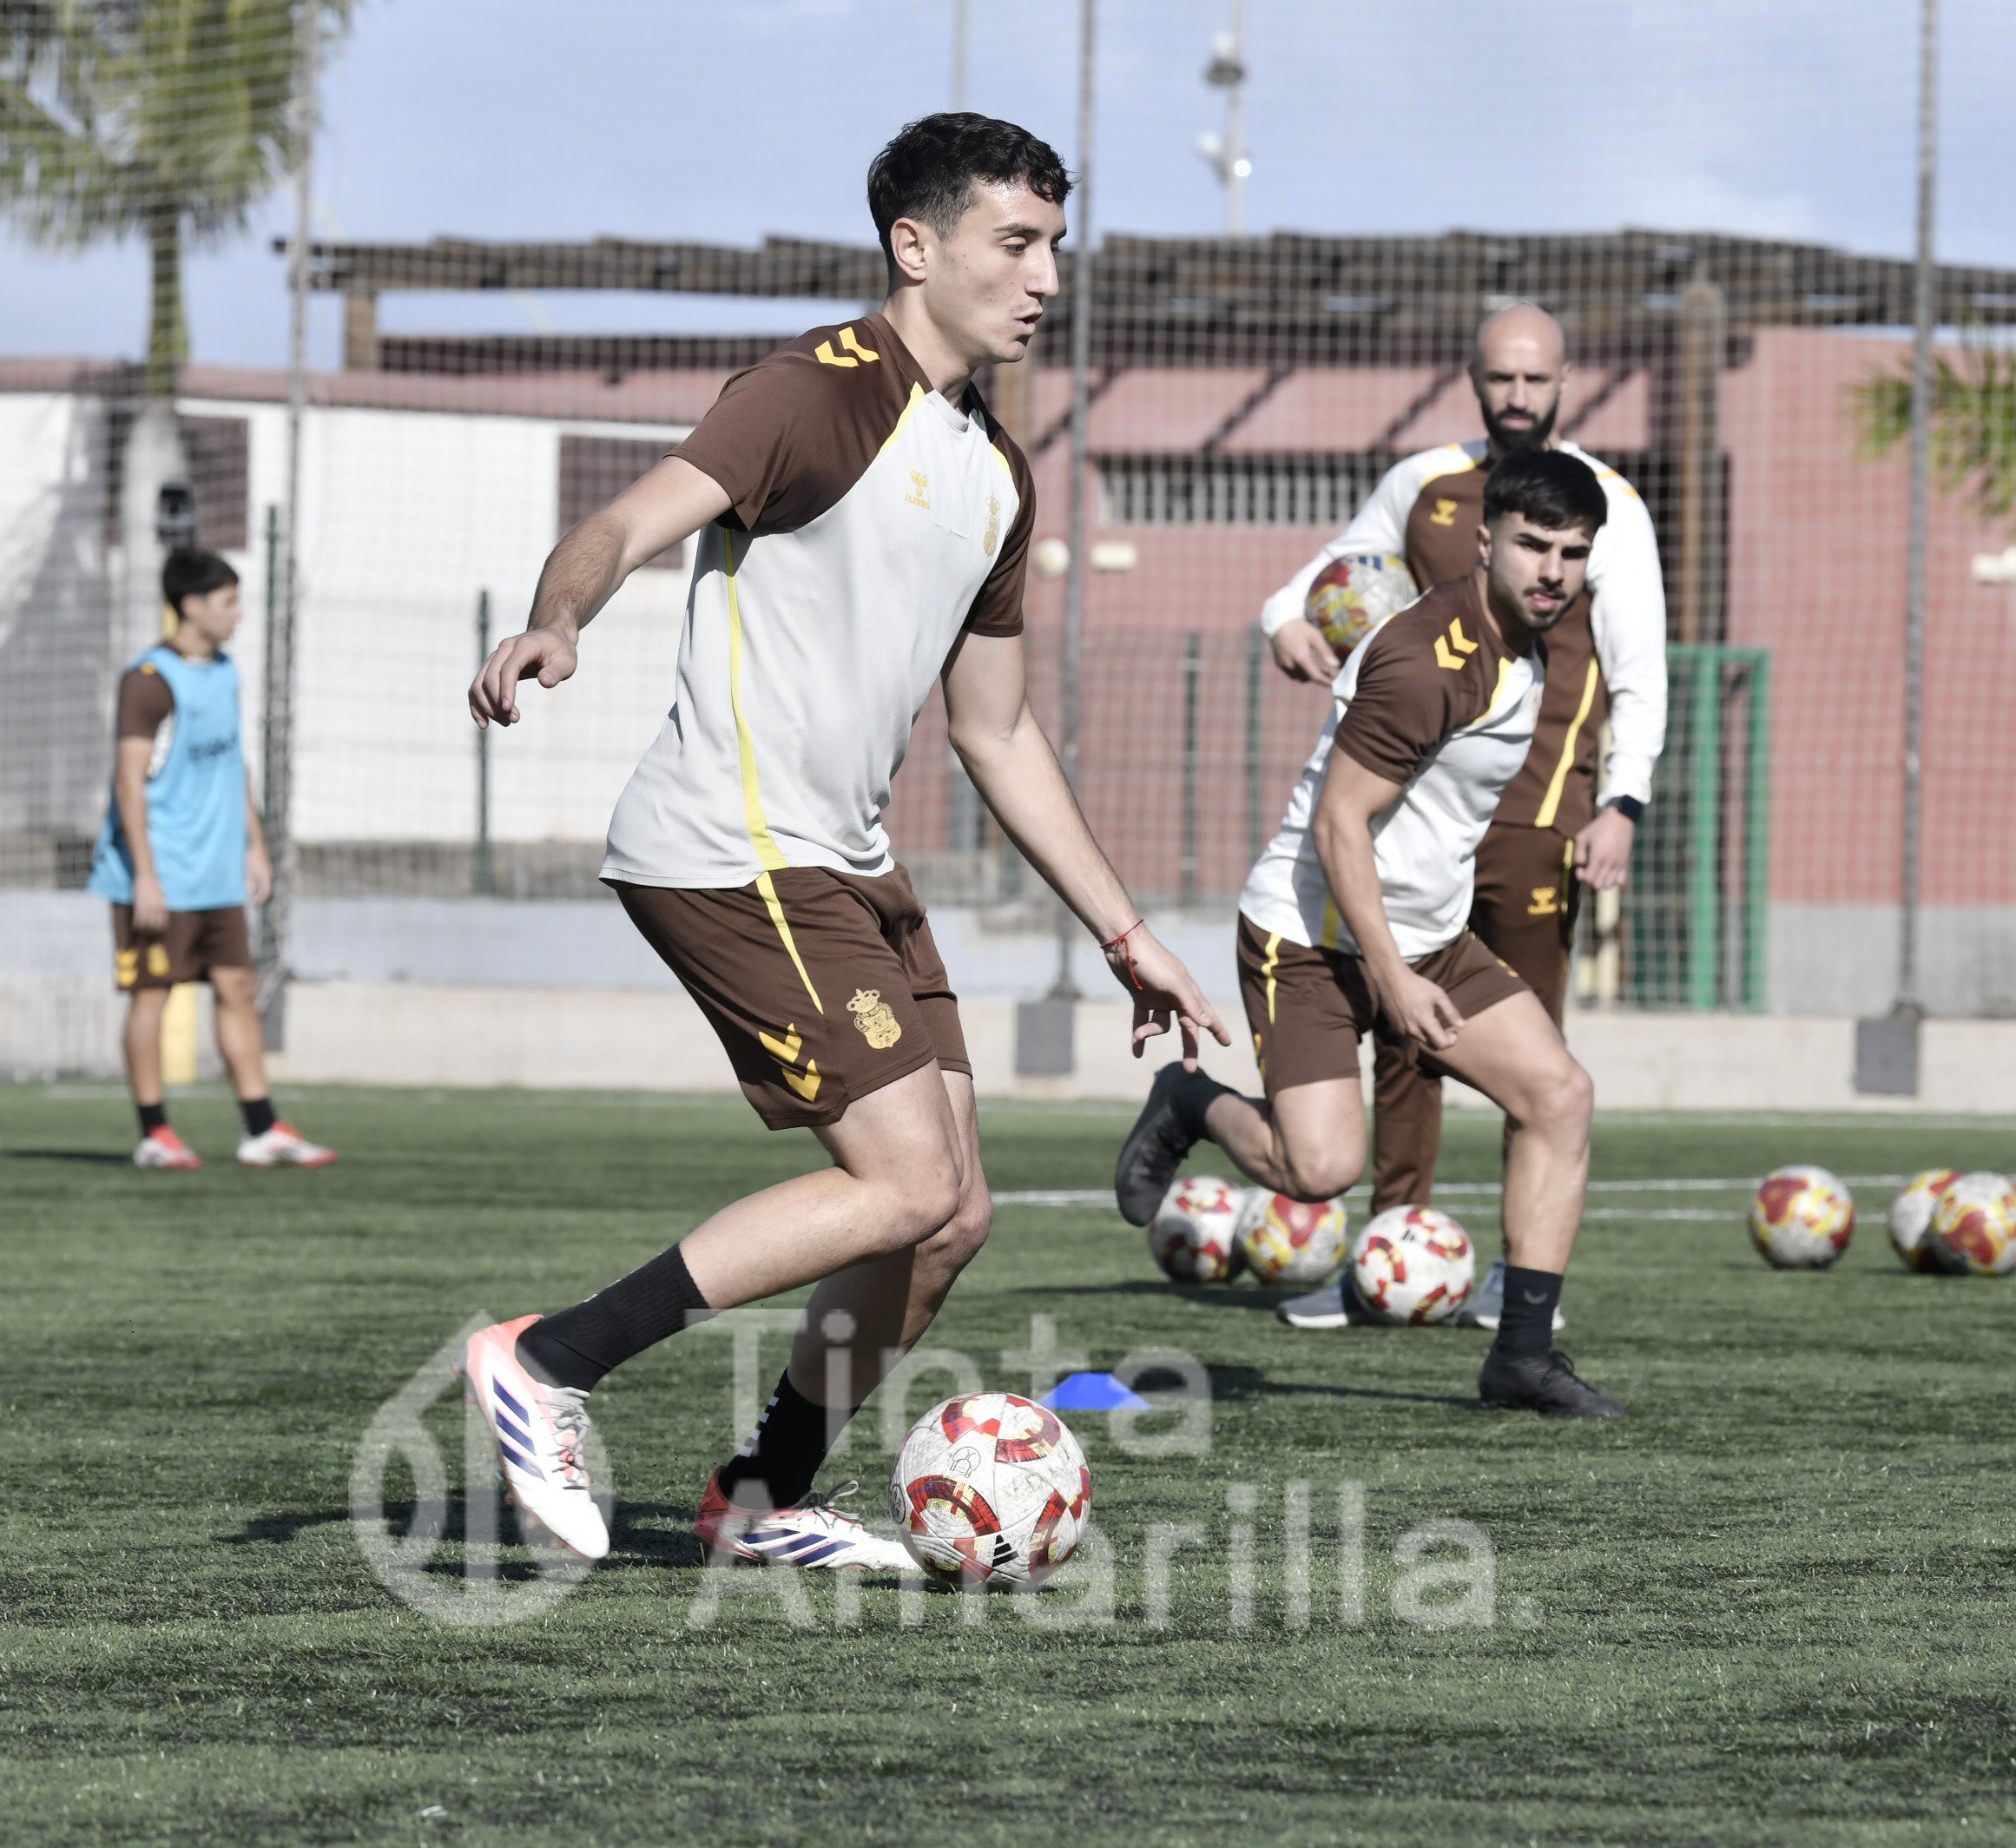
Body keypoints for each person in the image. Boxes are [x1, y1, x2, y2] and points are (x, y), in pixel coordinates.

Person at [461, 115, 1223, 1568]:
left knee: (949, 1218)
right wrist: (559, 620)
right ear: (915, 247)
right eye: (1017, 243)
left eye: (1056, 246)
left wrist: (1126, 934)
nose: (1048, 278)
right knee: (906, 1181)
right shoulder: (812, 394)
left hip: (851, 865)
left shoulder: (998, 475)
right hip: (731, 847)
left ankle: (759, 1499)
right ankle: (546, 1360)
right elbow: (623, 525)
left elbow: (998, 731)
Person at [1116, 450, 1622, 1417]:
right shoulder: (1428, 663)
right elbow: (1338, 824)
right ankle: (1187, 1102)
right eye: (1532, 545)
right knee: (1319, 1171)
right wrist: (1390, 978)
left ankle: (1521, 1357)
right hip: (1308, 938)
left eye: (1571, 552)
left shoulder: (1531, 643)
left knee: (1559, 1097)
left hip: (1423, 935)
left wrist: (1413, 954)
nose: (1552, 570)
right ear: (1485, 540)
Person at [1252, 303, 1666, 1329]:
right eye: (1500, 378)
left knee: (1538, 1063)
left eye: (1536, 379)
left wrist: (1621, 798)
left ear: (1564, 382)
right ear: (1472, 381)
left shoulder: (1602, 506)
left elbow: (1639, 667)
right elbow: (1322, 579)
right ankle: (1391, 1260)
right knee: (1404, 1046)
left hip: (1536, 818)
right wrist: (1286, 619)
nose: (1517, 396)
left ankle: (1520, 1296)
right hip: (1406, 815)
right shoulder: (1422, 484)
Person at [87, 547, 333, 1171]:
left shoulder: (224, 671)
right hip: (162, 875)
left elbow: (232, 763)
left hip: (217, 872)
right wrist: (145, 876)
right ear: (192, 605)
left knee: (237, 988)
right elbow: (128, 782)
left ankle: (262, 1128)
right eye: (228, 601)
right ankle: (155, 1133)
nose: (239, 613)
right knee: (152, 996)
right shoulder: (148, 681)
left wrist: (255, 844)